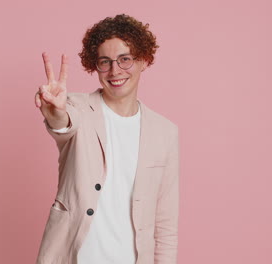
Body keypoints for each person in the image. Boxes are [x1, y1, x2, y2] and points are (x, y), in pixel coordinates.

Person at [34, 14, 179, 264]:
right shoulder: (77, 107)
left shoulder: (165, 132)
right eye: (105, 62)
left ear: (143, 60)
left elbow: (165, 223)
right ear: (95, 66)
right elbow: (64, 123)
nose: (115, 71)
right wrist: (56, 112)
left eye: (125, 59)